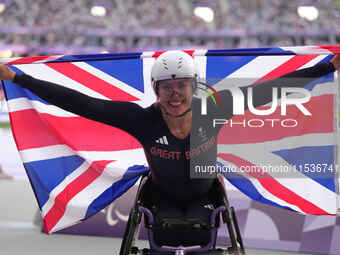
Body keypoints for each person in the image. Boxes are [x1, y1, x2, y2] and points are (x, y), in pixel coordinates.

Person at [0, 51, 339, 246]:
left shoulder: (215, 110)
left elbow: (276, 88)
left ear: (194, 87)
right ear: (155, 89)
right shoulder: (139, 119)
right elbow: (79, 102)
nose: (175, 95)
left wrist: (329, 67)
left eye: (182, 86)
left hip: (206, 195)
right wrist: (17, 79)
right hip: (159, 197)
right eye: (167, 88)